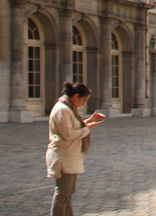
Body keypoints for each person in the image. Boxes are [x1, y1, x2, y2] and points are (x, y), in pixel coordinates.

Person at [46, 82, 104, 216]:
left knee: (68, 194)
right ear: (75, 96)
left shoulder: (68, 108)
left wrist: (89, 121)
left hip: (70, 156)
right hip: (63, 156)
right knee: (62, 194)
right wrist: (87, 128)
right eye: (83, 100)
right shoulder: (62, 109)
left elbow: (74, 127)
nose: (83, 104)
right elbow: (68, 134)